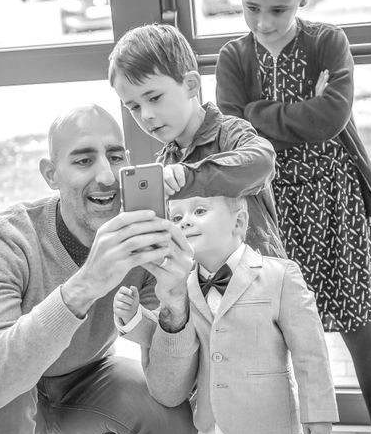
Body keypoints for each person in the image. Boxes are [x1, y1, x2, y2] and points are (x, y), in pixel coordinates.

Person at [0, 104, 197, 434]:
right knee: (6, 391)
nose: (108, 177)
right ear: (51, 174)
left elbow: (170, 389)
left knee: (174, 429)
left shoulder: (141, 240)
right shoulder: (3, 239)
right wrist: (85, 284)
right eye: (83, 161)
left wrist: (175, 307)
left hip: (84, 380)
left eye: (114, 157)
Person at [214, 0, 371, 434]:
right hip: (273, 208)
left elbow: (331, 117)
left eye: (277, 10)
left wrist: (262, 114)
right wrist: (297, 114)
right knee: (286, 328)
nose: (263, 22)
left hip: (333, 203)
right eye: (251, 9)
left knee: (357, 323)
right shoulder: (236, 56)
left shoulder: (327, 43)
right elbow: (234, 126)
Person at [115, 194, 340, 434]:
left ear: (239, 222)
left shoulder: (279, 276)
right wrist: (134, 319)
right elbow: (170, 336)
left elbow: (310, 350)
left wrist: (317, 412)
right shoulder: (184, 287)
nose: (185, 222)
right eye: (176, 217)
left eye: (199, 211)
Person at [108, 23, 286, 258]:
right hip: (200, 290)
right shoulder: (162, 166)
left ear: (191, 85)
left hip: (262, 284)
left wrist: (189, 176)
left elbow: (262, 162)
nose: (146, 115)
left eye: (154, 97)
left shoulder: (230, 133)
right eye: (134, 107)